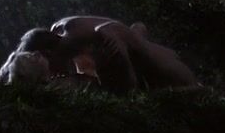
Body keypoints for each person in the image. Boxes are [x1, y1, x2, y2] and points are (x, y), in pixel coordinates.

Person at [48, 16, 201, 94]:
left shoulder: (105, 35)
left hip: (177, 78)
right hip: (166, 67)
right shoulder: (72, 33)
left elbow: (128, 88)